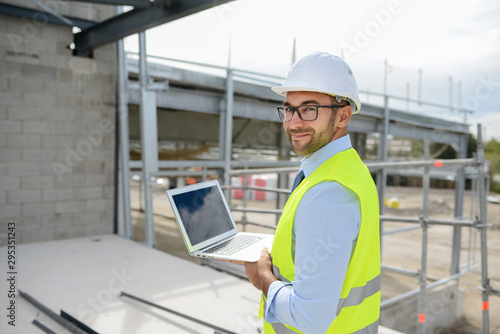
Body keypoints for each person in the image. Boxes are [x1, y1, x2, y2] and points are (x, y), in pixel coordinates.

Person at [243, 52, 381, 333]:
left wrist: (262, 278)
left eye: (309, 109)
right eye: (289, 109)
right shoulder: (346, 168)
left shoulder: (328, 191)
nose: (293, 123)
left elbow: (309, 318)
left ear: (343, 115)